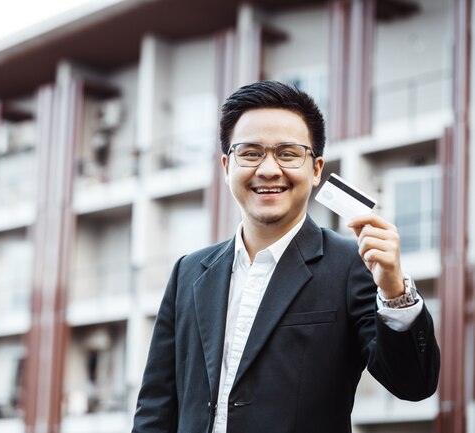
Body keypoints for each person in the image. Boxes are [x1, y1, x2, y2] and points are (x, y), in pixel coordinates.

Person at [131, 80, 440, 433]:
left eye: (288, 153)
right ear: (226, 165)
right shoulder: (188, 272)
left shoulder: (352, 264)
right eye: (250, 152)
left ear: (316, 168)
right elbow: (155, 407)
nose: (268, 169)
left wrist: (394, 291)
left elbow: (414, 385)